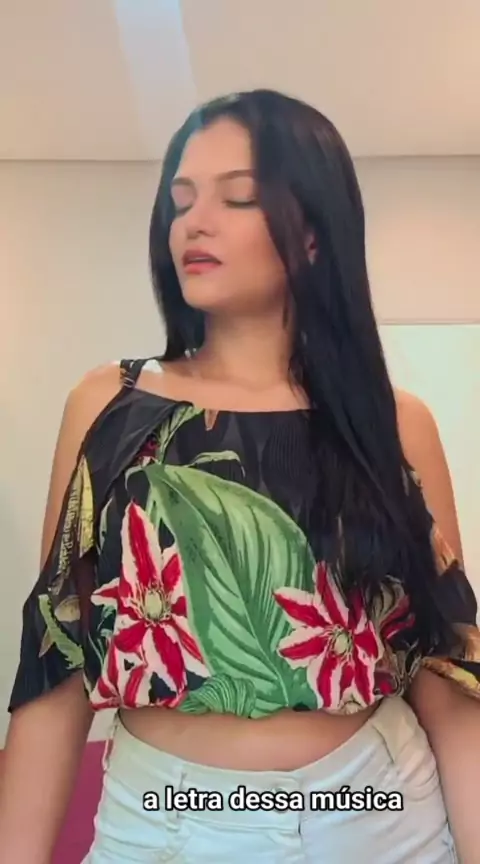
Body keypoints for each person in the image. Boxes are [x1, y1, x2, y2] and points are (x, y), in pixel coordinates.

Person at [0, 89, 479, 864]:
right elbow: (56, 656)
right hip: (164, 824)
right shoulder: (109, 406)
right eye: (181, 199)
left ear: (314, 234)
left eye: (239, 197)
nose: (194, 221)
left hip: (379, 818)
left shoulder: (393, 423)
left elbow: (446, 673)